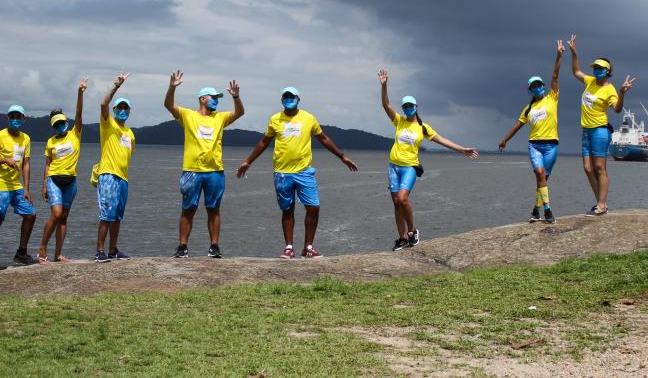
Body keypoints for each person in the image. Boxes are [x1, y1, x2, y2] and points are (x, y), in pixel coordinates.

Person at [236, 87, 358, 259]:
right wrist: (248, 162)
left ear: (298, 99)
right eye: (285, 97)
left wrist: (342, 156)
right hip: (282, 172)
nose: (288, 99)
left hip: (304, 171)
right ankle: (289, 247)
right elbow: (264, 142)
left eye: (291, 96)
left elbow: (323, 138)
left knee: (313, 207)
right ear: (281, 100)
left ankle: (308, 247)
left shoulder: (308, 118)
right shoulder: (275, 119)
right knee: (287, 209)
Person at [378, 71, 479, 251]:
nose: (407, 108)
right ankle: (402, 238)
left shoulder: (423, 128)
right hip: (393, 167)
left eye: (410, 105)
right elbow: (385, 104)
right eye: (405, 106)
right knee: (396, 203)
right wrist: (384, 85)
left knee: (402, 199)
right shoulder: (399, 121)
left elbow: (442, 140)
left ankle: (412, 231)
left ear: (416, 106)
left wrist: (462, 149)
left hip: (410, 167)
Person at [164, 71, 245, 259]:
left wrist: (236, 97)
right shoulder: (188, 116)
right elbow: (168, 105)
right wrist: (172, 88)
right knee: (188, 209)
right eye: (213, 97)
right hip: (192, 171)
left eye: (217, 98)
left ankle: (214, 246)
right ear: (202, 99)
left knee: (214, 209)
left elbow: (240, 113)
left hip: (215, 171)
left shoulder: (220, 118)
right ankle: (182, 246)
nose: (216, 100)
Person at [568, 33, 635, 216]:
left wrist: (622, 92)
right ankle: (600, 202)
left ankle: (601, 204)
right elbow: (576, 71)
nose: (596, 70)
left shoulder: (609, 89)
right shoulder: (590, 81)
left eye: (599, 68)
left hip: (600, 131)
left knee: (599, 168)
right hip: (586, 131)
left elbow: (617, 109)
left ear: (607, 70)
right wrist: (574, 52)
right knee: (587, 168)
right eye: (595, 67)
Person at [498, 40, 564, 224]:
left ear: (543, 85)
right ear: (530, 90)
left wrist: (559, 55)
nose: (537, 87)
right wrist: (505, 140)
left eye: (539, 84)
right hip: (535, 145)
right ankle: (548, 211)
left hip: (552, 146)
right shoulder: (528, 109)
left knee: (543, 180)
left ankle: (535, 210)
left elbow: (555, 76)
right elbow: (517, 125)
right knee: (540, 175)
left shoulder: (552, 98)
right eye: (533, 86)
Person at [37, 78, 87, 263]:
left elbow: (79, 113)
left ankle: (58, 254)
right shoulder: (51, 142)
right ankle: (42, 248)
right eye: (56, 124)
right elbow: (48, 164)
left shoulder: (75, 134)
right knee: (56, 214)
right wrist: (44, 185)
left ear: (66, 121)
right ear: (53, 126)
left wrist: (80, 93)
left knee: (64, 218)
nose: (60, 126)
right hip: (54, 180)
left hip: (71, 181)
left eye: (62, 122)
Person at [0, 105, 37, 270]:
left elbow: (26, 164)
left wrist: (26, 189)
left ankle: (21, 253)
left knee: (30, 214)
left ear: (23, 119)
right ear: (8, 118)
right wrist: (4, 160)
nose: (15, 119)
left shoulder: (26, 138)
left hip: (16, 185)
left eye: (18, 117)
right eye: (12, 116)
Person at [94, 73, 136, 262]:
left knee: (118, 215)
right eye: (120, 107)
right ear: (114, 110)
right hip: (108, 175)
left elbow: (129, 154)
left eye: (126, 108)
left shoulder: (130, 133)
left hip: (123, 178)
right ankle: (99, 251)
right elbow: (103, 104)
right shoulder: (108, 124)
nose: (123, 110)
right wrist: (116, 86)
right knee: (107, 214)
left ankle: (113, 249)